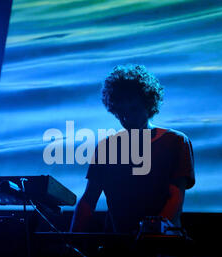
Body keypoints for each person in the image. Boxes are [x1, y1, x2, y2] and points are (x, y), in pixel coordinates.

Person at [70, 65, 195, 234]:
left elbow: (175, 197)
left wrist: (152, 234)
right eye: (121, 110)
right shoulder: (107, 147)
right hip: (118, 249)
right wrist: (72, 239)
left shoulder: (176, 142)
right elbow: (88, 199)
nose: (127, 116)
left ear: (149, 104)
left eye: (134, 109)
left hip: (165, 246)